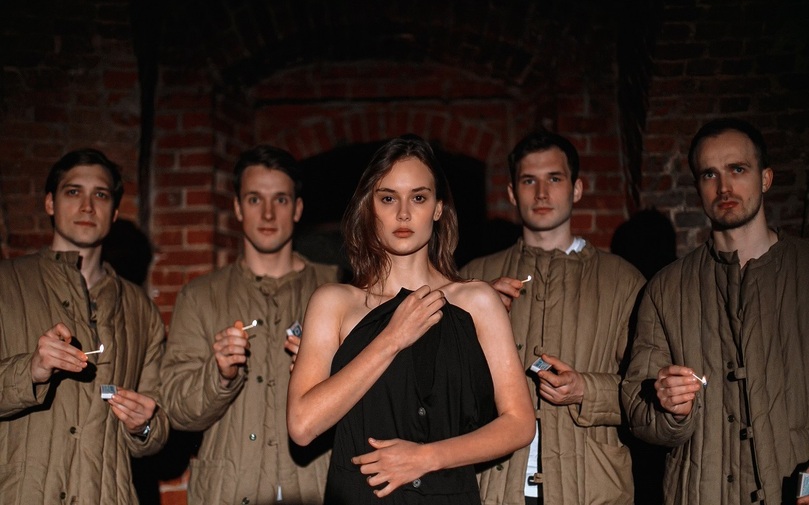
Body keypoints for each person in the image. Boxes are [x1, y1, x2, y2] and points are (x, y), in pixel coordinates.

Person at [287, 134, 535, 504]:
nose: (403, 213)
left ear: (437, 208)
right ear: (370, 207)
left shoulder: (477, 301)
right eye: (388, 198)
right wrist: (391, 339)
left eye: (418, 198)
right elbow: (303, 425)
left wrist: (425, 458)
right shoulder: (334, 303)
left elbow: (519, 423)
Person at [621, 118, 809, 505]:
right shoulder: (665, 288)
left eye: (737, 169)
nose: (724, 187)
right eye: (710, 174)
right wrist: (670, 408)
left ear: (766, 178)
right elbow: (639, 413)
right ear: (698, 187)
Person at [461, 129, 645, 505]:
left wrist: (586, 389)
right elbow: (439, 392)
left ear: (576, 189)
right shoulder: (473, 277)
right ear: (512, 192)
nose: (542, 193)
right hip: (492, 489)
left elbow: (646, 393)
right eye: (529, 181)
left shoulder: (624, 280)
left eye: (554, 179)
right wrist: (471, 314)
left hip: (590, 489)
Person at [160, 145, 340, 504]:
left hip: (315, 487)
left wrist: (327, 370)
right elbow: (176, 411)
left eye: (281, 200)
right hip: (228, 492)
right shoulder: (200, 296)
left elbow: (370, 400)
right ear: (239, 208)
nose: (268, 213)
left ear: (298, 208)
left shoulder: (335, 287)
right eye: (255, 199)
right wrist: (220, 375)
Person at [0, 148, 168, 503]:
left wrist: (144, 425)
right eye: (74, 191)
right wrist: (29, 370)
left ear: (115, 212)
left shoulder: (141, 309)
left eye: (101, 195)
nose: (88, 206)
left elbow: (156, 428)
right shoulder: (6, 283)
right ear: (50, 202)